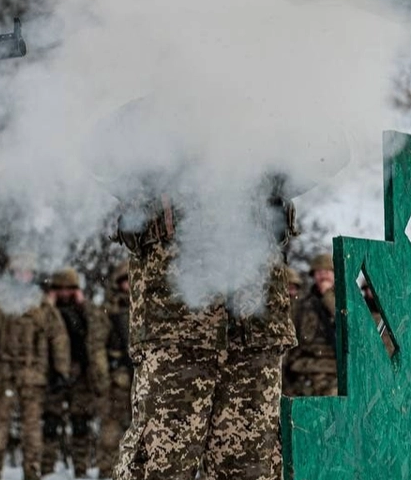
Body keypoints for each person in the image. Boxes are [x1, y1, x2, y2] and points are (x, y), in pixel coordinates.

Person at [112, 191, 297, 480]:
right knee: (161, 468)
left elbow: (328, 155)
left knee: (251, 470)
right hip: (176, 325)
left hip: (255, 330)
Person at [0, 265, 71, 480]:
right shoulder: (0, 303)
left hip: (33, 377)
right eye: (19, 271)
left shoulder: (41, 304)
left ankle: (32, 472)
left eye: (27, 271)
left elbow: (59, 338)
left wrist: (61, 371)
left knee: (32, 429)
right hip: (5, 377)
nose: (23, 276)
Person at [42, 267, 108, 477]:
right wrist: (48, 306)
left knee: (81, 424)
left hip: (81, 376)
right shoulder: (46, 311)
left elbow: (101, 328)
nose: (63, 293)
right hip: (52, 376)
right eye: (59, 288)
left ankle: (81, 469)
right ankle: (47, 470)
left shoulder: (86, 311)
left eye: (69, 288)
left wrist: (84, 304)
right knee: (50, 424)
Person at [283, 253, 338, 397]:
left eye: (327, 272)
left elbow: (346, 322)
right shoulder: (302, 303)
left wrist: (328, 296)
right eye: (320, 273)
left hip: (334, 371)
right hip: (303, 371)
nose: (323, 277)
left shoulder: (346, 301)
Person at [97, 261, 132, 479]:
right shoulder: (109, 311)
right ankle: (106, 470)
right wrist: (104, 375)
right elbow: (96, 346)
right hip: (118, 377)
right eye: (124, 281)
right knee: (111, 429)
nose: (128, 285)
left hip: (144, 377)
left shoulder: (147, 306)